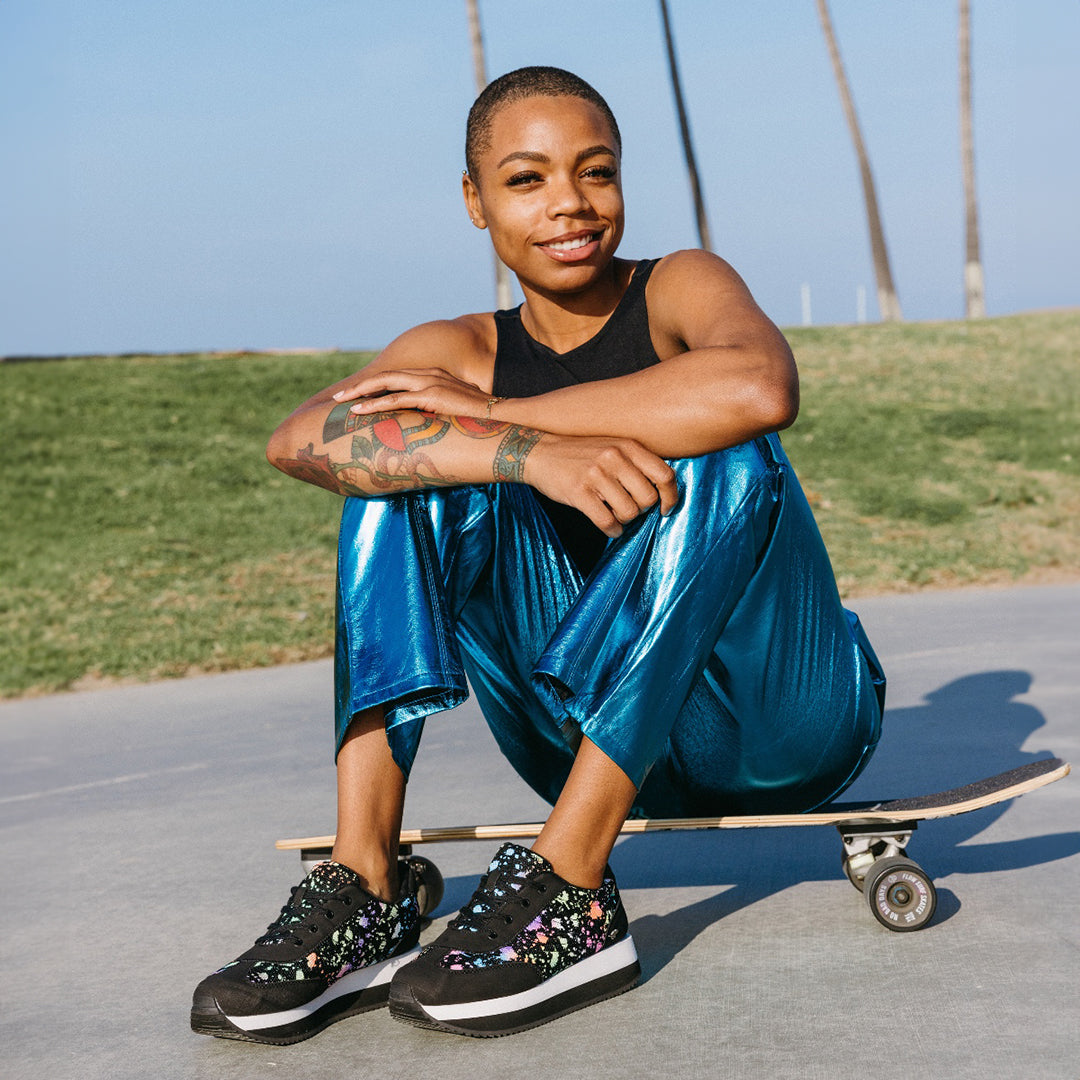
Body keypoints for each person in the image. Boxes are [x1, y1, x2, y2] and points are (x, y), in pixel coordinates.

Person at [191, 65, 885, 1044]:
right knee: (395, 469)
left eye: (595, 172)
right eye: (527, 179)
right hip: (573, 736)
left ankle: (571, 888)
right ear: (475, 201)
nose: (570, 203)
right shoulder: (458, 347)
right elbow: (302, 438)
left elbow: (759, 387)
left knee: (725, 450)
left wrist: (503, 416)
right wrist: (524, 456)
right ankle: (366, 884)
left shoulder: (678, 287)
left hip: (782, 725)